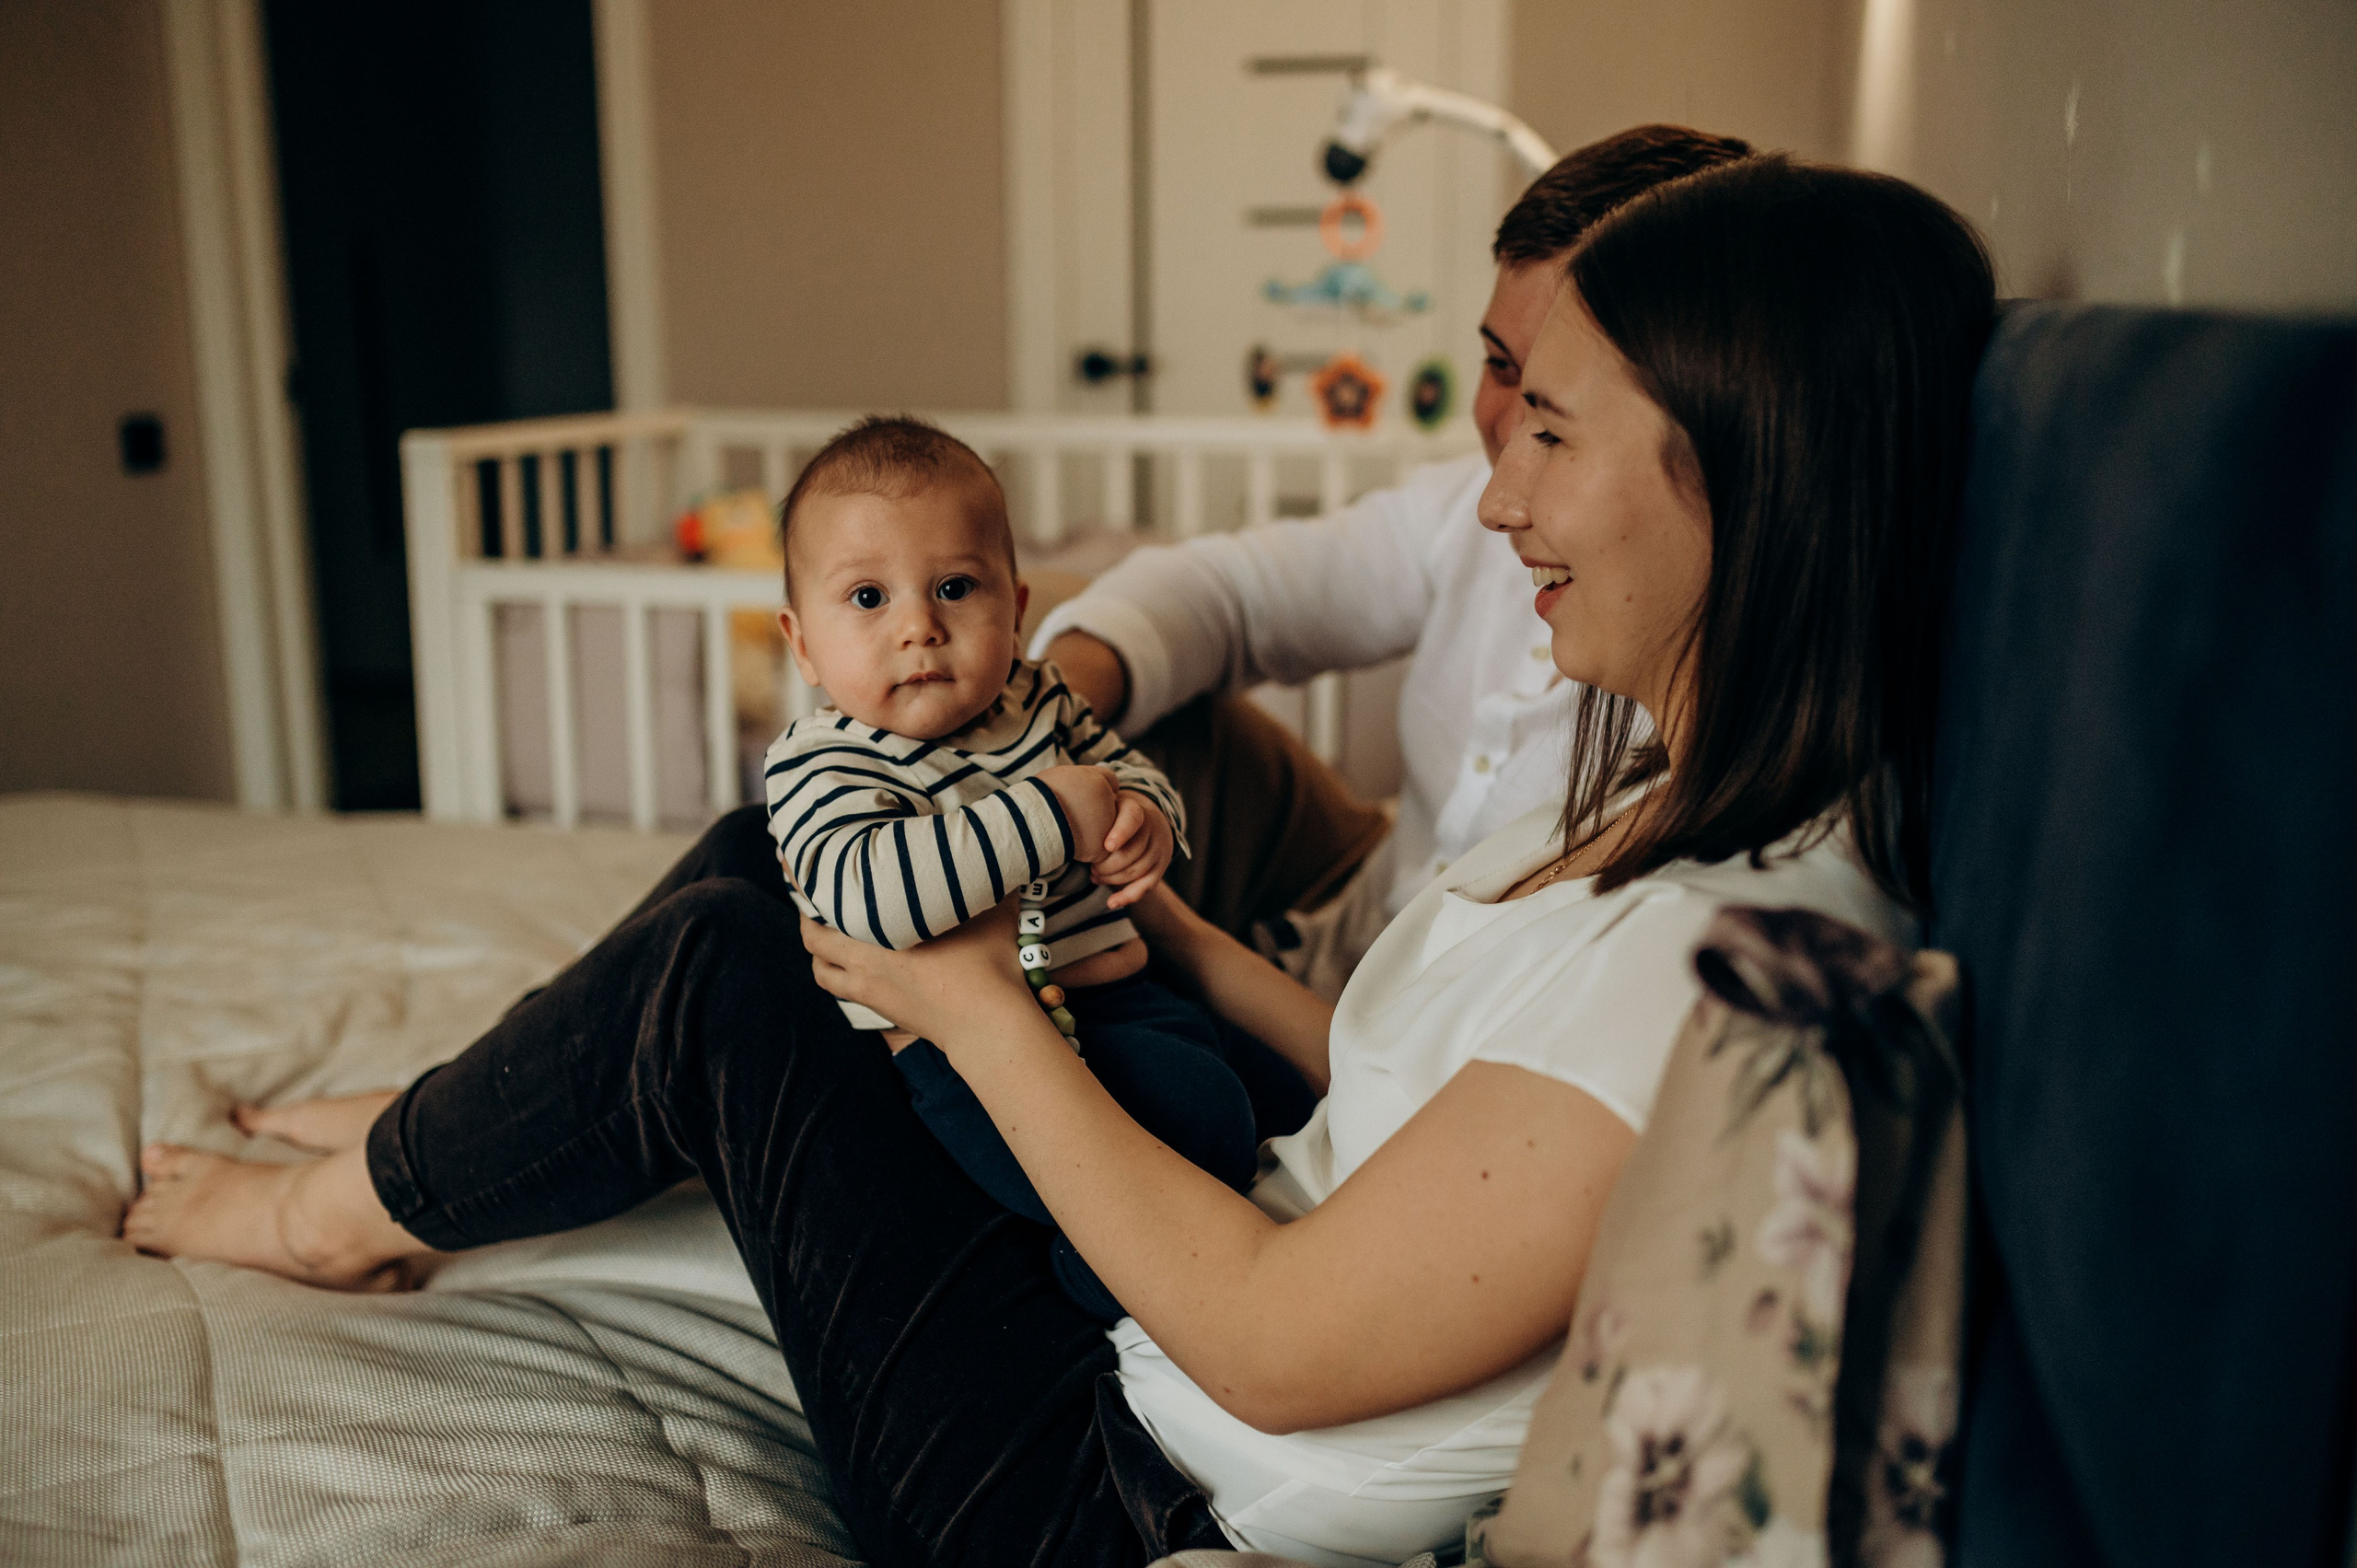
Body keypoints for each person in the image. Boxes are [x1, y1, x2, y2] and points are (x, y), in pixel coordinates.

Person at [123, 152, 1996, 1568]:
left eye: (1555, 433)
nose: (1499, 492)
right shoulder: (1658, 795)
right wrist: (1157, 924)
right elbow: (1401, 1094)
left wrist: (968, 1004)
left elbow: (1270, 1341)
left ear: (1745, 475)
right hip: (1161, 1309)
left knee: (734, 959)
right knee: (767, 850)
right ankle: (446, 1125)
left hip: (1105, 1485)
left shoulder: (1720, 959)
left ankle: (331, 1212)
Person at [1041, 124, 1753, 993]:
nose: (1503, 447)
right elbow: (1235, 591)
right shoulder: (1465, 506)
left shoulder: (1704, 746)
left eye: (1552, 406)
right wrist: (1037, 716)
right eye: (1498, 364)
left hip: (1361, 1011)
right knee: (1062, 619)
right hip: (1356, 901)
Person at [764, 413, 1303, 1321]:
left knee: (1262, 1091)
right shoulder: (822, 764)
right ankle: (1094, 1277)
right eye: (867, 598)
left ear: (1015, 611)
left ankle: (1188, 1203)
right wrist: (1053, 812)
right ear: (802, 641)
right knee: (1200, 1115)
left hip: (1120, 994)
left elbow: (1124, 772)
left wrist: (1145, 820)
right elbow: (874, 897)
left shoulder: (1039, 696)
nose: (918, 628)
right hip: (963, 1054)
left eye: (953, 586)